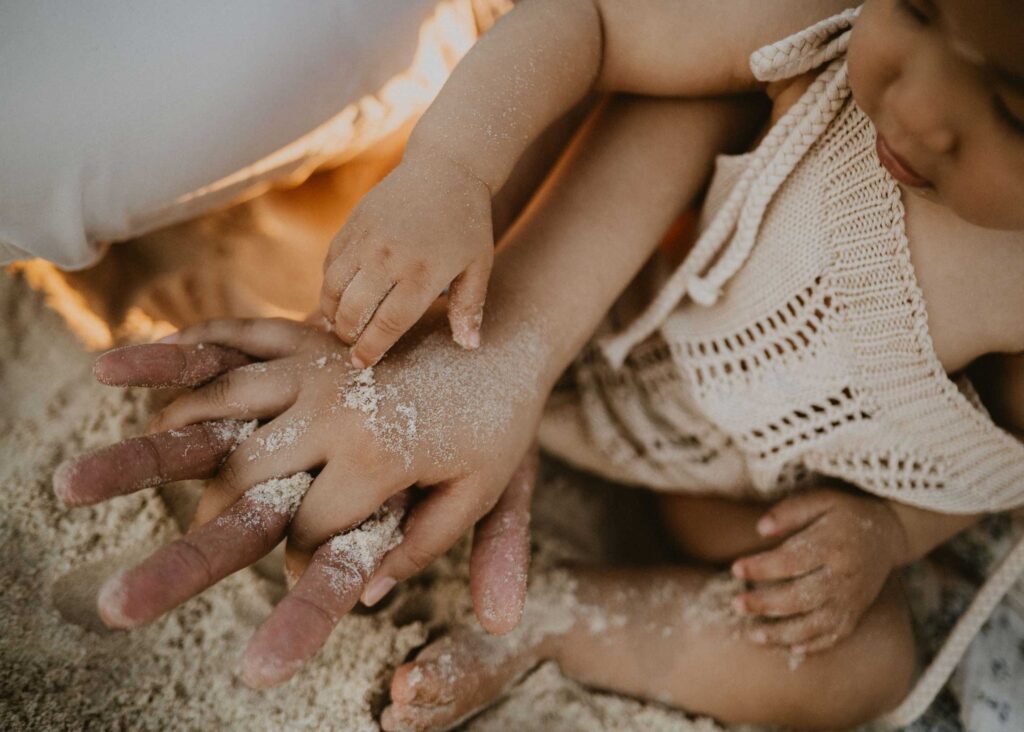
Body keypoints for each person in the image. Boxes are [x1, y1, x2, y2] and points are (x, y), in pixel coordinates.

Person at [54, 0, 1024, 730]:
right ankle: (362, 351)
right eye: (920, 9)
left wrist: (885, 532)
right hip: (547, 271)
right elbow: (592, 21)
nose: (917, 103)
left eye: (1014, 112)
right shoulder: (819, 28)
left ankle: (552, 618)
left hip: (721, 488)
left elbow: (992, 463)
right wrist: (454, 172)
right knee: (649, 86)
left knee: (863, 665)